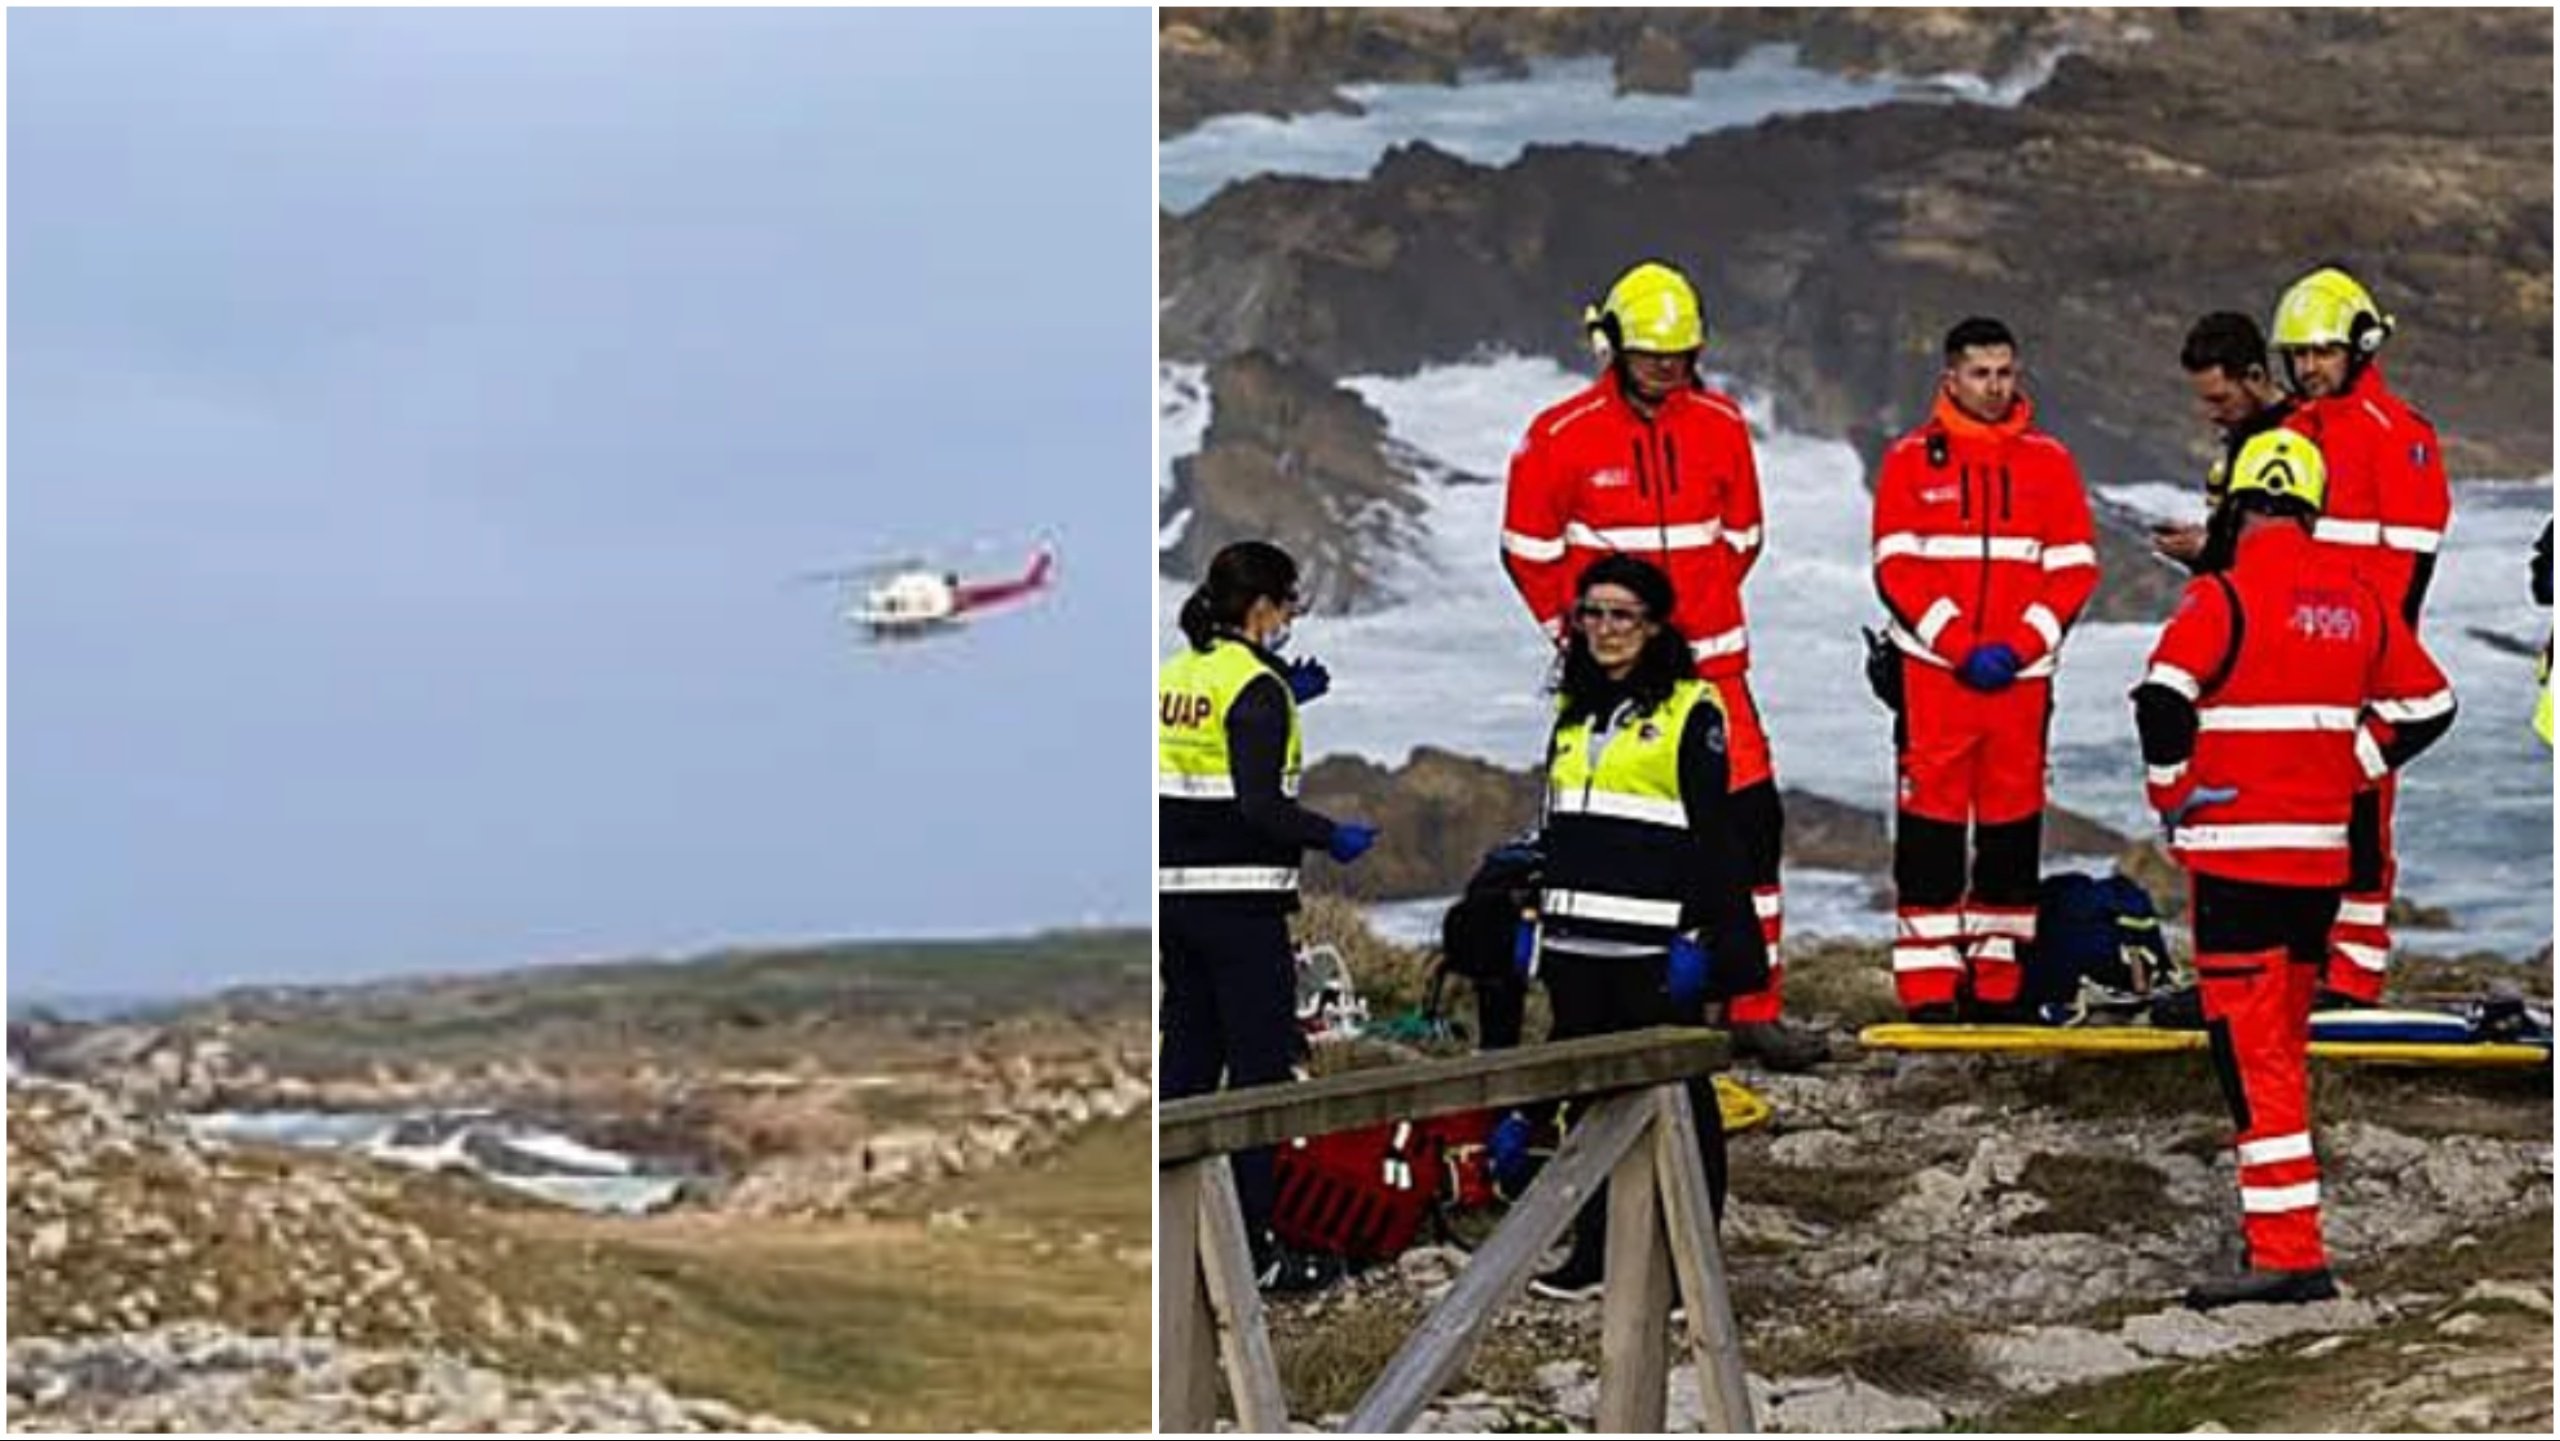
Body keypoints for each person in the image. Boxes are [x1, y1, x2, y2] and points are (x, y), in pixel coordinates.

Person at [2130, 429, 2454, 1308]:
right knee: (2282, 1041)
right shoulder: (2355, 599)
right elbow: (2431, 704)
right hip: (2319, 865)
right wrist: (2350, 762)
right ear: (2314, 508)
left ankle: (2286, 1253)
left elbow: (2161, 702)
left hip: (2236, 865)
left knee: (2252, 1052)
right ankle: (2284, 1237)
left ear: (2237, 505)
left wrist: (2172, 796)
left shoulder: (2220, 598)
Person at [1501, 259, 1822, 1071]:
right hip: (1614, 687)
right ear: (1612, 345)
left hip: (1717, 676)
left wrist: (1694, 624)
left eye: (1681, 355)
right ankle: (1632, 1001)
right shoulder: (1560, 436)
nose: (1667, 369)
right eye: (1651, 355)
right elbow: (1528, 551)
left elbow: (1743, 536)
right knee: (1623, 844)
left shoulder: (1721, 424)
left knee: (1752, 832)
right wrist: (1587, 642)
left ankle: (1752, 1005)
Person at [1524, 554, 1769, 1300]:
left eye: (1620, 615)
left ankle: (1685, 1258)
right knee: (1592, 1099)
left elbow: (1715, 837)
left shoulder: (1692, 709)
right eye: (1590, 614)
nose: (1603, 629)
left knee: (1681, 1099)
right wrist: (1532, 906)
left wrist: (1717, 940)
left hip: (1651, 946)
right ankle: (1595, 1253)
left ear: (1655, 626)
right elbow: (1563, 823)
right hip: (1574, 943)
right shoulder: (1574, 711)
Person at [1157, 539, 1378, 1294]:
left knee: (1184, 1066)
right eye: (1288, 607)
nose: (1291, 621)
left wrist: (1281, 687)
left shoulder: (1179, 672)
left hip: (1174, 900)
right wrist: (1332, 835)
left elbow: (1201, 755)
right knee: (1259, 1078)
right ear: (1263, 607)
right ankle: (1254, 1249)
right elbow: (1259, 806)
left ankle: (1172, 1237)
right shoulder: (1257, 689)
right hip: (1240, 904)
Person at [1871, 317, 2099, 1020]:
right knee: (1930, 824)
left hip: (2021, 682)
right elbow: (1895, 564)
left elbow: (2074, 565)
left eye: (2005, 372)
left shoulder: (2050, 462)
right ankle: (1930, 984)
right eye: (1980, 373)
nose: (1995, 386)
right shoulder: (1910, 459)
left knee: (2012, 822)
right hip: (1938, 677)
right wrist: (1959, 644)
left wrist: (2021, 647)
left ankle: (1999, 977)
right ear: (1951, 378)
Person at [2268, 265, 2454, 1005]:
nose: (2309, 367)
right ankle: (2297, 971)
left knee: (2360, 823)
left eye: (2322, 352)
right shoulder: (2285, 432)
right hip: (2285, 664)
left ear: (2359, 347)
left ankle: (2351, 980)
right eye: (2299, 354)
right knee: (2289, 823)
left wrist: (2368, 669)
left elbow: (2407, 578)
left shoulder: (2399, 438)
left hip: (2357, 669)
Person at [2153, 311, 2297, 573]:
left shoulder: (2296, 440)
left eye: (2221, 399)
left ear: (2255, 376)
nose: (2212, 413)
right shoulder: (2245, 435)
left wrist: (2206, 549)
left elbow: (2278, 555)